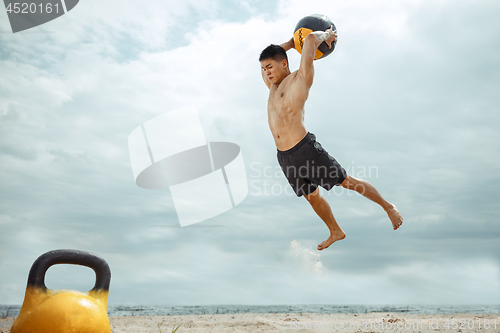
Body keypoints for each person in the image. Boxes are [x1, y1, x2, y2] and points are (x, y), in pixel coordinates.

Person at [259, 26, 403, 251]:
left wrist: (325, 36)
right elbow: (271, 54)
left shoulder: (300, 78)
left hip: (305, 149)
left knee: (347, 182)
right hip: (284, 157)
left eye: (270, 66)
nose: (266, 72)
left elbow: (310, 40)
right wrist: (288, 43)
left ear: (284, 64)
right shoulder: (272, 87)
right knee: (311, 197)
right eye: (263, 68)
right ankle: (335, 230)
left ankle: (388, 207)